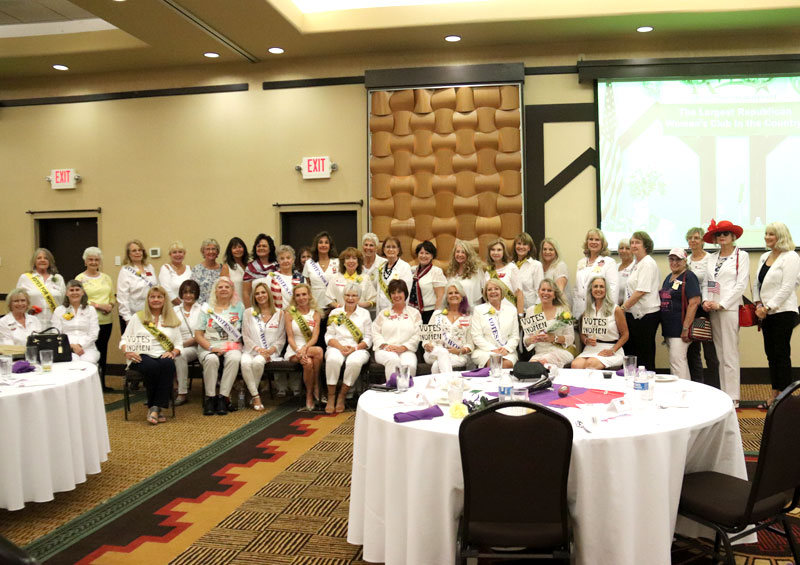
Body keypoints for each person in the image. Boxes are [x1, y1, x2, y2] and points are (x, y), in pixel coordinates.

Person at [701, 219, 749, 406]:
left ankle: (733, 396)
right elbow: (707, 283)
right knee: (719, 354)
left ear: (733, 237)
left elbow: (741, 285)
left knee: (730, 353)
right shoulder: (711, 258)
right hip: (712, 308)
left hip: (728, 309)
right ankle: (724, 394)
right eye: (718, 234)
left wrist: (722, 304)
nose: (722, 237)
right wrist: (706, 300)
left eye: (725, 234)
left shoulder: (741, 256)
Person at [120, 286, 182, 425]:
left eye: (159, 297)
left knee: (168, 364)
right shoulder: (138, 317)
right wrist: (127, 351)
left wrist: (173, 352)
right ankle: (156, 408)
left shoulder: (171, 318)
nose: (156, 300)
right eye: (152, 297)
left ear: (164, 299)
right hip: (140, 355)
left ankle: (155, 407)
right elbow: (124, 339)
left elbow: (179, 344)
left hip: (162, 353)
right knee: (152, 366)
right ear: (148, 299)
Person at [753, 222, 800, 407]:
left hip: (783, 312)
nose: (767, 237)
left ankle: (785, 399)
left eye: (771, 234)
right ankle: (775, 395)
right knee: (771, 354)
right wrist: (758, 304)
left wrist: (768, 307)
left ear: (781, 236)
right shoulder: (765, 256)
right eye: (766, 233)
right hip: (765, 313)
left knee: (781, 354)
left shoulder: (791, 257)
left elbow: (788, 286)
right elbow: (757, 284)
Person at [195, 276, 244, 416]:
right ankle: (210, 398)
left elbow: (244, 331)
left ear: (232, 290)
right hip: (209, 345)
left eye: (227, 287)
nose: (223, 289)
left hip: (232, 345)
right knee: (212, 359)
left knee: (234, 358)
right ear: (215, 291)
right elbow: (198, 335)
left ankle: (223, 397)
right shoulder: (206, 308)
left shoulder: (239, 307)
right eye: (220, 287)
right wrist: (211, 348)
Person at [324, 282, 372, 413]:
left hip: (357, 348)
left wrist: (355, 348)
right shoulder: (335, 312)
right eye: (348, 295)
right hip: (336, 347)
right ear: (343, 296)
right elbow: (328, 336)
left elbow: (368, 338)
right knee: (333, 360)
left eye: (354, 296)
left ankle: (342, 396)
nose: (350, 298)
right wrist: (340, 347)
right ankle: (331, 396)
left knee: (354, 362)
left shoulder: (364, 314)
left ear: (359, 298)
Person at [241, 281, 286, 411]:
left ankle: (252, 395)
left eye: (263, 292)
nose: (260, 295)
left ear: (268, 294)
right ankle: (256, 396)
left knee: (257, 363)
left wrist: (270, 350)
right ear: (254, 297)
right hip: (251, 350)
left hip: (270, 352)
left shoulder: (279, 313)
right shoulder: (248, 313)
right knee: (244, 363)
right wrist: (258, 349)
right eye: (257, 293)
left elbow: (281, 338)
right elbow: (246, 336)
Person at [621, 231, 661, 372]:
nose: (633, 245)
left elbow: (641, 291)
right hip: (634, 314)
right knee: (633, 352)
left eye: (637, 242)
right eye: (632, 242)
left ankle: (648, 383)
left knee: (645, 354)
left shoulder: (648, 263)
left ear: (646, 245)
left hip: (646, 316)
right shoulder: (635, 263)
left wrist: (622, 308)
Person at [76, 246, 115, 391]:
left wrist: (110, 305)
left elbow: (112, 297)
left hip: (106, 321)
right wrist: (99, 306)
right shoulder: (79, 278)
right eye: (90, 259)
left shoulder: (106, 278)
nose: (93, 262)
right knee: (88, 351)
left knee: (102, 351)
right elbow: (79, 299)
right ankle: (88, 385)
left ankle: (101, 383)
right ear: (85, 261)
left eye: (96, 259)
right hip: (88, 321)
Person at [685, 226, 720, 387]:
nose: (693, 240)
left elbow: (712, 283)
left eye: (696, 238)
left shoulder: (710, 259)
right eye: (690, 238)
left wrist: (707, 301)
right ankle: (697, 384)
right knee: (693, 350)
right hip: (691, 309)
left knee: (709, 351)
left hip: (705, 309)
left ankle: (715, 386)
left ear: (703, 241)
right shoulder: (686, 260)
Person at [658, 249, 701, 379]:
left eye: (678, 259)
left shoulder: (689, 277)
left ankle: (684, 394)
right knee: (675, 362)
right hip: (669, 329)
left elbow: (694, 303)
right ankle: (679, 392)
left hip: (680, 329)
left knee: (678, 363)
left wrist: (685, 328)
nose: (674, 262)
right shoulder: (668, 278)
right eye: (671, 259)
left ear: (685, 261)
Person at [572, 276, 628, 370]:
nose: (598, 289)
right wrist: (586, 340)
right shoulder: (587, 311)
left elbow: (625, 335)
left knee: (591, 363)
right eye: (595, 286)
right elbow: (583, 334)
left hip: (611, 348)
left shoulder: (616, 309)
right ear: (591, 290)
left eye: (601, 287)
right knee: (576, 365)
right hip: (591, 348)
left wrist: (612, 350)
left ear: (606, 290)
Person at [285, 283, 324, 411]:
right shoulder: (290, 313)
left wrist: (304, 349)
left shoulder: (316, 314)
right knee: (316, 353)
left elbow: (314, 338)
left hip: (308, 347)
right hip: (294, 348)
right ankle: (314, 391)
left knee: (309, 361)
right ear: (294, 298)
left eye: (304, 294)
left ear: (309, 296)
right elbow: (290, 337)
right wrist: (298, 350)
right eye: (298, 295)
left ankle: (311, 393)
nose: (301, 298)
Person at [373, 279, 422, 381]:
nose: (396, 295)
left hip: (406, 350)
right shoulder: (383, 313)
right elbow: (375, 331)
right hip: (385, 350)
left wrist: (404, 347)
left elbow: (418, 334)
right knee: (393, 360)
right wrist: (385, 345)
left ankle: (407, 393)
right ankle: (392, 392)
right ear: (390, 295)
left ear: (405, 294)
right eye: (393, 293)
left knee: (410, 365)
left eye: (399, 292)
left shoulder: (414, 313)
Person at [522, 279, 576, 368]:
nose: (545, 293)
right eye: (543, 290)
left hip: (561, 351)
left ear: (554, 294)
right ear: (538, 292)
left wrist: (553, 338)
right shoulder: (530, 311)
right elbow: (526, 340)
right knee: (531, 367)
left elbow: (571, 338)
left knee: (542, 363)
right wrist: (532, 339)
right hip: (540, 353)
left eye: (549, 290)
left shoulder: (563, 310)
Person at [422, 281, 473, 373]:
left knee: (437, 365)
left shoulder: (469, 317)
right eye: (450, 293)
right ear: (446, 297)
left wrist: (459, 351)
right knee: (442, 353)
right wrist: (427, 345)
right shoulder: (437, 314)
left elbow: (470, 343)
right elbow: (426, 338)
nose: (453, 295)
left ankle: (439, 385)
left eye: (456, 292)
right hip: (434, 353)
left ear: (462, 297)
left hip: (458, 355)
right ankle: (450, 384)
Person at [470, 278, 520, 368]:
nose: (493, 291)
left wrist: (506, 349)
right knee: (495, 362)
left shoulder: (512, 310)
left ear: (501, 291)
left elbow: (514, 336)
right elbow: (476, 336)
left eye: (496, 289)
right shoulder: (479, 310)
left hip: (506, 351)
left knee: (506, 364)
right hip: (484, 351)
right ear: (486, 293)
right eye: (489, 289)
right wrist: (493, 350)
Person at [572, 228, 618, 320]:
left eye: (597, 240)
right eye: (591, 239)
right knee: (582, 334)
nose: (593, 242)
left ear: (602, 243)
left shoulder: (609, 262)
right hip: (580, 310)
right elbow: (577, 289)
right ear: (587, 242)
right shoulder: (581, 262)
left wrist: (609, 310)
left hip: (600, 310)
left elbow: (613, 288)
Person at [51, 280, 100, 364]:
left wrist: (80, 345)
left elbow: (94, 333)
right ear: (66, 293)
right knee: (72, 362)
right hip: (66, 347)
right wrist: (71, 346)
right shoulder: (59, 310)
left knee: (88, 362)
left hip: (88, 347)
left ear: (82, 292)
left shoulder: (90, 310)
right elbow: (56, 334)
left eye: (77, 290)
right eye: (71, 290)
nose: (74, 292)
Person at [17, 247, 66, 327]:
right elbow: (18, 300)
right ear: (34, 261)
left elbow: (64, 301)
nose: (42, 260)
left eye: (46, 258)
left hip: (54, 322)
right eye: (39, 258)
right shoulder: (25, 278)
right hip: (32, 321)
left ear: (50, 261)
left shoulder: (58, 278)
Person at [117, 239, 158, 335]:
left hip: (150, 313)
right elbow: (122, 296)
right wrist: (127, 318)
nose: (137, 253)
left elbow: (156, 288)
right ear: (129, 254)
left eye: (140, 250)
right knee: (134, 346)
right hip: (132, 314)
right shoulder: (125, 270)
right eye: (134, 250)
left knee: (151, 343)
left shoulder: (150, 267)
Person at [173, 279, 203, 406]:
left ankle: (182, 393)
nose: (188, 295)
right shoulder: (174, 310)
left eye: (192, 292)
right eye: (185, 292)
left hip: (197, 346)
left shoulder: (203, 309)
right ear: (181, 294)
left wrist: (180, 346)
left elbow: (203, 332)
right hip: (176, 345)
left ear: (196, 294)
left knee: (180, 354)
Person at [483, 238, 524, 315]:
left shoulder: (511, 268)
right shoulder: (488, 272)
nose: (496, 252)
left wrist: (520, 315)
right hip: (493, 313)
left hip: (510, 312)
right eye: (493, 250)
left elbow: (519, 293)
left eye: (499, 250)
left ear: (504, 252)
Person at [410, 240, 447, 323]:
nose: (424, 256)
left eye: (427, 253)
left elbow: (440, 297)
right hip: (413, 312)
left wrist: (435, 315)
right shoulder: (412, 270)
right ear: (417, 255)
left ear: (432, 256)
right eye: (421, 253)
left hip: (430, 312)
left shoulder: (436, 271)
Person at [373, 236, 413, 312]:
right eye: (388, 247)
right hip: (381, 309)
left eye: (394, 247)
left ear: (398, 250)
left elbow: (406, 291)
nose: (390, 249)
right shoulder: (381, 267)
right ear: (384, 250)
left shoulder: (404, 267)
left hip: (397, 308)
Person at [303, 231, 340, 311]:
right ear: (316, 245)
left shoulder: (338, 262)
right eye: (320, 242)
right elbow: (307, 285)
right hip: (315, 306)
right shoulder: (309, 263)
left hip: (334, 306)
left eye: (326, 243)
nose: (323, 245)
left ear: (330, 246)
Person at [445, 238, 484, 308]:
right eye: (457, 252)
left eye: (463, 252)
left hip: (473, 309)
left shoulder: (476, 270)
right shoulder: (451, 270)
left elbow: (484, 290)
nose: (460, 254)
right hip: (454, 310)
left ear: (468, 254)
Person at [242, 233, 278, 307]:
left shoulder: (277, 266)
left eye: (264, 246)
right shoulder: (250, 267)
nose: (261, 248)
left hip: (276, 307)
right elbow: (246, 292)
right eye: (258, 246)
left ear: (270, 249)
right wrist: (249, 311)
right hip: (257, 308)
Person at [512, 232, 544, 310]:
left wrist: (536, 310)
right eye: (519, 243)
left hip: (530, 309)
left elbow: (540, 291)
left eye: (525, 244)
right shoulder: (510, 266)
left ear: (529, 248)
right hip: (512, 309)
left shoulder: (536, 265)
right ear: (515, 246)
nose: (521, 247)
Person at [269, 244, 304, 311]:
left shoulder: (300, 277)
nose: (285, 261)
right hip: (278, 315)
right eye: (282, 258)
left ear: (293, 260)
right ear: (278, 261)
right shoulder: (272, 276)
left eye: (288, 258)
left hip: (297, 316)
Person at [158, 241, 191, 306]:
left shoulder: (189, 268)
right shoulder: (166, 268)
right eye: (174, 252)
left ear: (184, 254)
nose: (178, 255)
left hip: (188, 306)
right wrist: (182, 306)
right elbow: (166, 290)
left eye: (180, 252)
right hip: (171, 307)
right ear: (170, 255)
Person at [191, 238, 223, 305]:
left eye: (213, 249)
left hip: (218, 307)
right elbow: (192, 290)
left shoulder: (223, 269)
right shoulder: (197, 269)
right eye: (208, 249)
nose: (211, 252)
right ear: (203, 252)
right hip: (200, 307)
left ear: (217, 252)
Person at [221, 236, 249, 302]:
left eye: (240, 247)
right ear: (230, 251)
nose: (238, 250)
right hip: (235, 305)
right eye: (234, 248)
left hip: (249, 303)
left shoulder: (249, 266)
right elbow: (223, 290)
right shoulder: (226, 267)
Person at [616, 238, 635, 306]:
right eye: (621, 248)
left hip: (629, 308)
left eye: (627, 248)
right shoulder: (614, 267)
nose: (624, 251)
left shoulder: (636, 267)